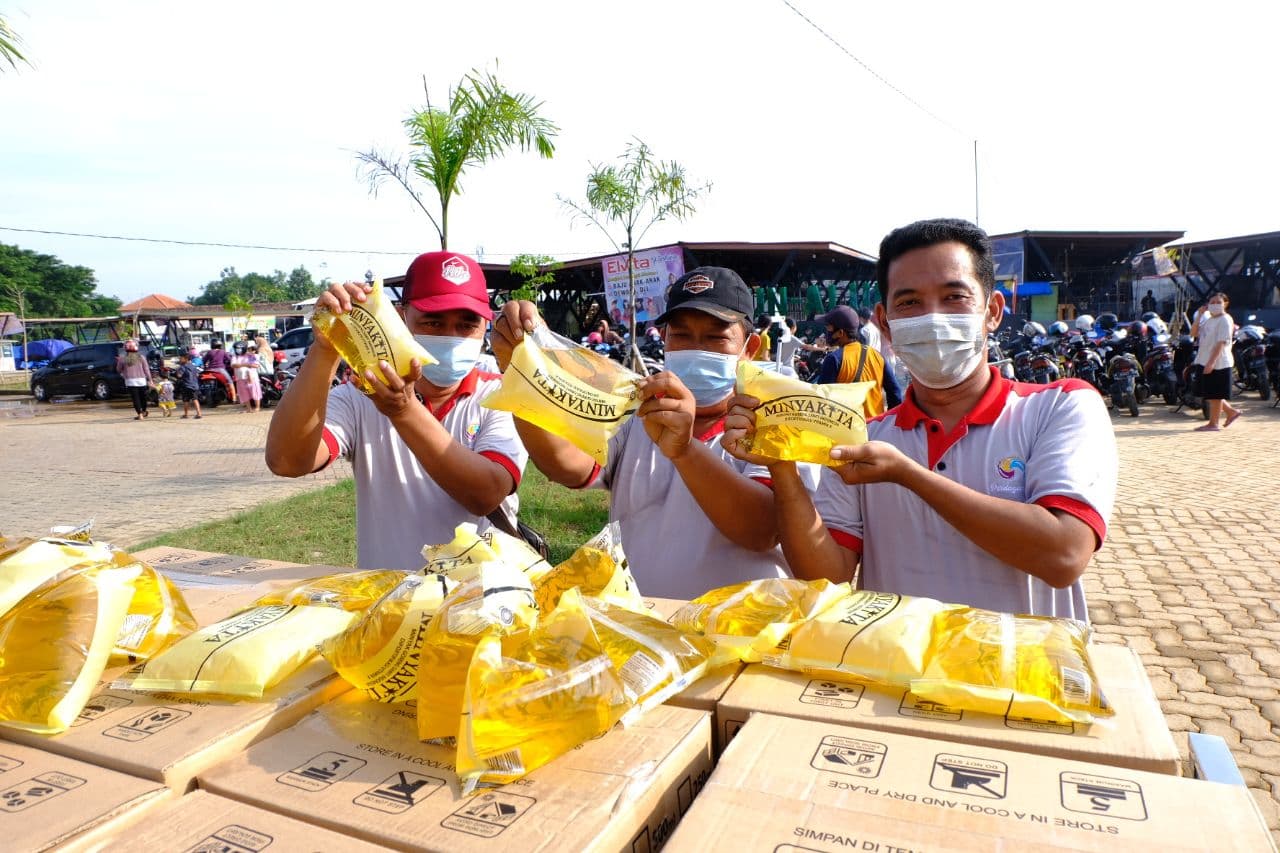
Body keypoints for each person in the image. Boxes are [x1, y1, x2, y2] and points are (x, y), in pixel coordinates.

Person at [723, 218, 1117, 620]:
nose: (932, 317)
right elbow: (828, 576)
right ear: (885, 321)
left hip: (1022, 674)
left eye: (954, 297)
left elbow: (1063, 555)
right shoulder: (866, 438)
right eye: (909, 302)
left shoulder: (1060, 405)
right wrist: (783, 469)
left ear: (993, 311)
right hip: (897, 675)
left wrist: (908, 475)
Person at [493, 266, 809, 599]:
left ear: (750, 347)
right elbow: (568, 466)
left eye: (716, 337)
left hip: (741, 635)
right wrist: (522, 376)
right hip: (644, 631)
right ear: (665, 339)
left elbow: (762, 529)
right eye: (681, 335)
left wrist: (685, 451)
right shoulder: (638, 411)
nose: (696, 348)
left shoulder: (773, 420)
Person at [265, 252, 528, 571]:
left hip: (482, 602)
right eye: (433, 322)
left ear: (485, 325)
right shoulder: (360, 396)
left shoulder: (501, 394)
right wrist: (325, 349)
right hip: (390, 605)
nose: (451, 337)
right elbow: (287, 461)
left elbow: (486, 494)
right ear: (402, 317)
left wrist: (404, 410)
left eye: (466, 325)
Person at [813, 305, 902, 419]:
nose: (827, 331)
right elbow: (895, 393)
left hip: (848, 431)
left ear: (840, 333)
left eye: (829, 328)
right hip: (875, 429)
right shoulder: (877, 356)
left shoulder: (834, 359)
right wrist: (887, 423)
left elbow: (822, 401)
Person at [1191, 291, 1241, 431]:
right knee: (1210, 393)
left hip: (1218, 362)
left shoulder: (1225, 319)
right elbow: (1194, 333)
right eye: (1211, 302)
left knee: (1215, 394)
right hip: (1203, 359)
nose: (1214, 305)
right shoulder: (1209, 319)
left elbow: (1221, 343)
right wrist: (1200, 315)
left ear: (1225, 304)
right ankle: (1231, 412)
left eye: (1218, 302)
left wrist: (1211, 363)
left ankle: (1214, 424)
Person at [115, 339, 152, 420]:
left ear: (125, 348)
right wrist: (150, 380)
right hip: (142, 380)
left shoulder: (122, 359)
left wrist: (119, 363)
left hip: (130, 381)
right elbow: (146, 370)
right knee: (143, 397)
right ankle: (144, 411)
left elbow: (118, 370)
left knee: (136, 399)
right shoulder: (141, 357)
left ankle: (140, 415)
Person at [234, 344, 262, 413]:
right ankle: (248, 408)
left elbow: (256, 365)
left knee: (255, 391)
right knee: (245, 393)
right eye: (248, 349)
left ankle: (257, 407)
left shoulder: (255, 356)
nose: (248, 351)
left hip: (253, 376)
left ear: (254, 351)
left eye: (250, 349)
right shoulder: (243, 356)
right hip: (243, 377)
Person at [174, 351, 202, 419]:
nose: (180, 360)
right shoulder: (193, 366)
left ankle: (186, 414)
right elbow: (197, 374)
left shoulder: (182, 367)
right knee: (195, 399)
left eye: (181, 358)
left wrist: (177, 371)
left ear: (186, 359)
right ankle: (199, 413)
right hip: (195, 385)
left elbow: (179, 375)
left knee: (186, 400)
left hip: (186, 386)